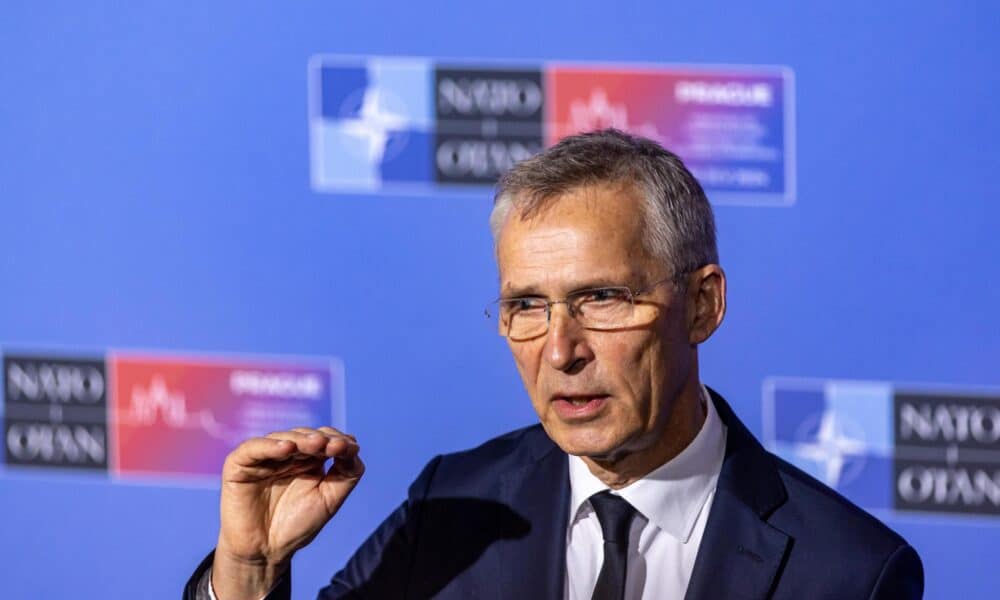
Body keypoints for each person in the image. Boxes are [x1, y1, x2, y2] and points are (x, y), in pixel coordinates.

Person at [185, 129, 924, 599]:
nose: (561, 351)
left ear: (702, 305)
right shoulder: (456, 507)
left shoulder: (850, 573)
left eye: (601, 298)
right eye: (527, 307)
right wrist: (248, 573)